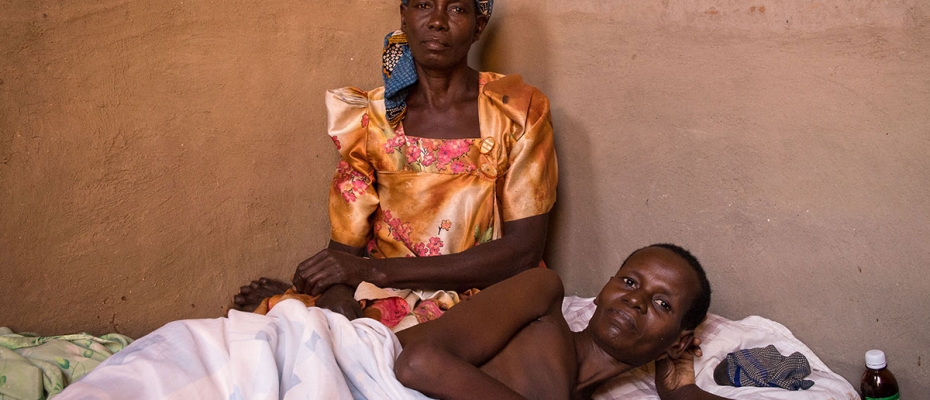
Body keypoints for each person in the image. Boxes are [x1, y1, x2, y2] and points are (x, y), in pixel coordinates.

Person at [234, 0, 558, 327]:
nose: (437, 21)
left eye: (457, 9)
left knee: (423, 353)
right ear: (404, 18)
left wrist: (372, 271)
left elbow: (523, 252)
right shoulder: (371, 118)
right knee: (302, 328)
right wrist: (336, 292)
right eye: (423, 5)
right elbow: (345, 249)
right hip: (386, 292)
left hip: (482, 290)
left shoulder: (516, 111)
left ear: (479, 25)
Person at [59, 244, 729, 399]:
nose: (634, 301)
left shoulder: (617, 380)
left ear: (679, 333)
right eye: (630, 280)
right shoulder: (543, 296)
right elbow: (416, 364)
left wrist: (677, 379)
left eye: (662, 304)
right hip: (339, 364)